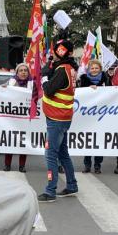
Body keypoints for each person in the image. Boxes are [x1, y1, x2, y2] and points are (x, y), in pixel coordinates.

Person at [38, 33, 79, 202]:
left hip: (57, 118)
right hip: (62, 117)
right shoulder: (69, 69)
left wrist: (45, 76)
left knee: (51, 154)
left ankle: (50, 190)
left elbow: (48, 89)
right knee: (63, 153)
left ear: (60, 52)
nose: (52, 54)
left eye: (55, 51)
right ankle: (71, 185)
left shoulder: (62, 71)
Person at [80, 59, 111, 174]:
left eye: (96, 68)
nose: (94, 70)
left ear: (100, 69)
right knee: (88, 140)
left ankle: (98, 165)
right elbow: (80, 92)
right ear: (88, 69)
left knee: (99, 140)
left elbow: (111, 91)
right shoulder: (84, 79)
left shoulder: (106, 78)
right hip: (88, 115)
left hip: (101, 114)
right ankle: (87, 165)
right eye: (92, 68)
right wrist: (89, 89)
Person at [4, 62, 32, 172]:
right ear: (17, 72)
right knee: (10, 141)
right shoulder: (11, 83)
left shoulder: (32, 84)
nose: (23, 72)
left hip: (25, 118)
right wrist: (4, 88)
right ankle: (7, 165)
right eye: (21, 70)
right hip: (12, 118)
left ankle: (22, 166)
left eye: (25, 70)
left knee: (23, 142)